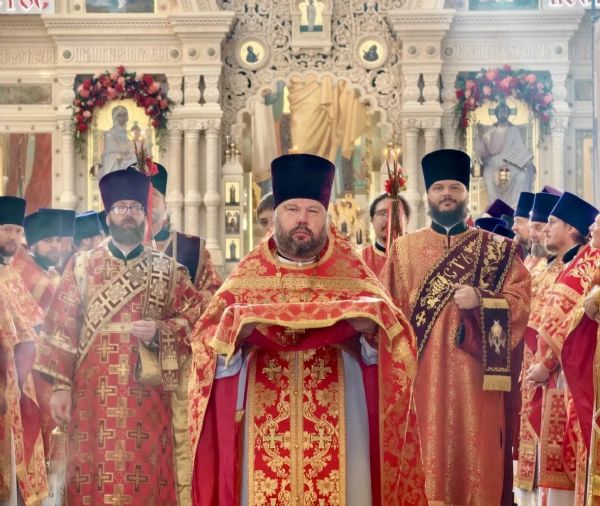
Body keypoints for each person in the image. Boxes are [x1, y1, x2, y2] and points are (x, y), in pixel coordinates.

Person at [188, 153, 427, 506]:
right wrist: (235, 340)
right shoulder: (245, 280)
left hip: (341, 415)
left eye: (313, 211)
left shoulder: (354, 277)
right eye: (292, 209)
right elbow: (207, 348)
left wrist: (370, 335)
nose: (303, 219)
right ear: (277, 216)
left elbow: (396, 348)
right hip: (262, 418)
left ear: (326, 218)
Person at [35, 169, 204, 506]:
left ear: (144, 214)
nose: (129, 214)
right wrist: (61, 387)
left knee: (147, 478)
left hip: (149, 400)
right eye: (121, 207)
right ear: (109, 214)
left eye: (136, 208)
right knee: (92, 477)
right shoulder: (81, 266)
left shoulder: (169, 270)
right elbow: (61, 326)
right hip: (90, 399)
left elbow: (198, 320)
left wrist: (161, 331)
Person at [380, 148, 531, 505]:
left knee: (478, 464)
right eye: (439, 188)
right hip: (422, 383)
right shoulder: (403, 251)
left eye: (454, 187)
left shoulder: (498, 250)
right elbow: (387, 314)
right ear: (428, 195)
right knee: (425, 468)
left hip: (477, 383)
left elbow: (522, 302)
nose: (446, 194)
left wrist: (483, 299)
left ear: (467, 192)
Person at [147, 163, 222, 506]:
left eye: (153, 197)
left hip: (180, 369)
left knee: (182, 447)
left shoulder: (191, 249)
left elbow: (215, 302)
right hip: (131, 375)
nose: (147, 205)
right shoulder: (114, 254)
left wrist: (172, 324)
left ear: (165, 203)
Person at [526, 192, 600, 505]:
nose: (545, 228)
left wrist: (546, 362)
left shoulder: (589, 264)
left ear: (571, 228)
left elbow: (571, 320)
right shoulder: (572, 264)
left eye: (552, 222)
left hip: (575, 372)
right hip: (565, 373)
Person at [0, 196, 48, 506]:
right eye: (6, 229)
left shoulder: (10, 274)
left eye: (18, 231)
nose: (13, 238)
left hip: (15, 381)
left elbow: (31, 324)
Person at [514, 191, 561, 504]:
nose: (532, 233)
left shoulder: (553, 270)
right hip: (530, 360)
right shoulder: (535, 267)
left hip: (549, 366)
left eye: (537, 226)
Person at [474, 101, 535, 209]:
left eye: (505, 112)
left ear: (509, 114)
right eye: (500, 112)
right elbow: (483, 152)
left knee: (522, 176)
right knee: (487, 175)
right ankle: (495, 208)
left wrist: (527, 161)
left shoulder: (514, 130)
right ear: (496, 114)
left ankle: (516, 209)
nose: (503, 114)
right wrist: (480, 135)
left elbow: (520, 148)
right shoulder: (490, 130)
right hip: (493, 166)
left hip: (512, 166)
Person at [361, 192, 410, 277]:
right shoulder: (361, 259)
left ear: (407, 220)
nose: (389, 219)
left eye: (395, 213)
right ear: (372, 220)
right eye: (382, 213)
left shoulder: (419, 256)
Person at [99, 105, 137, 178]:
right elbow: (109, 154)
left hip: (127, 162)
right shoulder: (110, 134)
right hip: (114, 165)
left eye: (124, 115)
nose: (123, 118)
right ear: (115, 117)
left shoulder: (127, 133)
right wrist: (121, 156)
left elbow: (130, 149)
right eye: (120, 115)